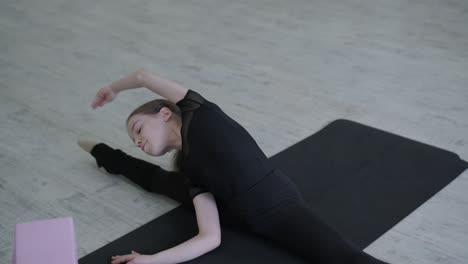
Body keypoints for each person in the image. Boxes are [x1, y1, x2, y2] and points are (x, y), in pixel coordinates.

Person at [79, 69, 390, 264]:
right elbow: (209, 237)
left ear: (163, 114)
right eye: (134, 139)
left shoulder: (201, 112)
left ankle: (104, 153)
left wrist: (114, 88)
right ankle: (107, 155)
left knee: (343, 257)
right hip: (243, 215)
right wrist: (153, 260)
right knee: (162, 182)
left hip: (279, 208)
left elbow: (143, 77)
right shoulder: (189, 168)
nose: (139, 141)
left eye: (138, 130)